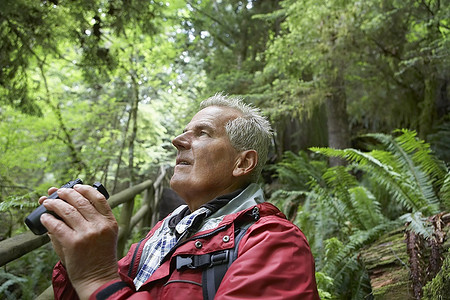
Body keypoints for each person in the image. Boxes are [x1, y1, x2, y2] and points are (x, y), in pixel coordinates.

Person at [40, 93, 320, 299]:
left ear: (242, 163)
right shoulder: (167, 227)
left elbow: (103, 285)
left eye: (203, 133)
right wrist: (74, 258)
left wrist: (96, 277)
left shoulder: (275, 243)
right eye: (185, 131)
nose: (177, 140)